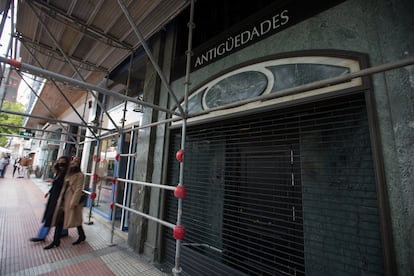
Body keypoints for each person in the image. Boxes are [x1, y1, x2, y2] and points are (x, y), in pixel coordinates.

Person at [44, 158, 86, 249]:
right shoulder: (68, 174)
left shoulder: (80, 175)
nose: (73, 164)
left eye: (75, 163)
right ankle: (56, 241)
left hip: (71, 201)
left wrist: (74, 202)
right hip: (63, 200)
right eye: (72, 162)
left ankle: (81, 235)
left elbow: (78, 189)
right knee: (60, 220)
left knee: (75, 219)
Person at [30, 156, 70, 242]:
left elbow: (64, 185)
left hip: (60, 199)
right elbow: (56, 185)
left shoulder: (67, 174)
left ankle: (42, 235)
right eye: (59, 162)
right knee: (58, 217)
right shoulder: (59, 172)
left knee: (51, 217)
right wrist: (49, 191)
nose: (60, 164)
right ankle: (63, 231)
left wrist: (53, 181)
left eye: (63, 162)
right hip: (53, 197)